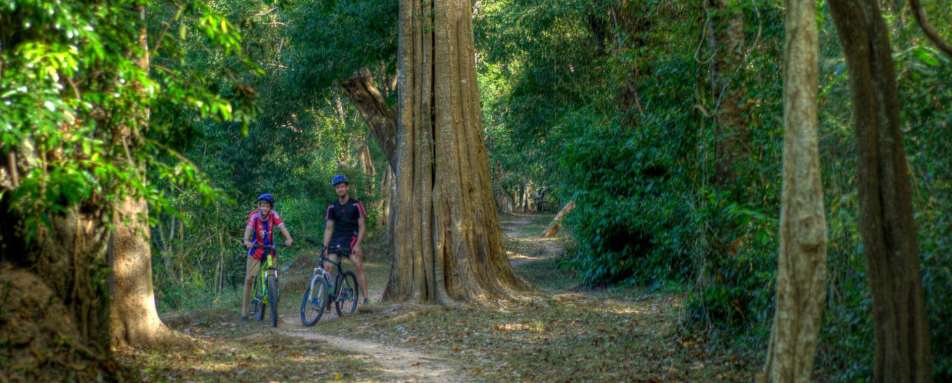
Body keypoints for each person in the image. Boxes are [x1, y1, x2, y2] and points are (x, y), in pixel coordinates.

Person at [241, 193, 293, 320]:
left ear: (270, 207)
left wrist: (289, 238)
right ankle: (244, 312)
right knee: (249, 279)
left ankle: (273, 304)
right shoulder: (254, 216)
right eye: (262, 205)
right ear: (259, 206)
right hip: (256, 250)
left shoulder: (274, 215)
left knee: (273, 276)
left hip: (270, 250)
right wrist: (246, 241)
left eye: (267, 206)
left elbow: (282, 227)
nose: (264, 208)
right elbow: (248, 229)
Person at [321, 174, 370, 304]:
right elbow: (329, 228)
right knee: (327, 267)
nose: (340, 189)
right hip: (337, 238)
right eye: (338, 187)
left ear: (347, 187)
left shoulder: (356, 205)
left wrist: (358, 245)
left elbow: (362, 226)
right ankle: (330, 296)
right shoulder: (332, 207)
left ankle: (366, 298)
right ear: (335, 189)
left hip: (351, 237)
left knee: (358, 265)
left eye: (342, 186)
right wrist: (325, 246)